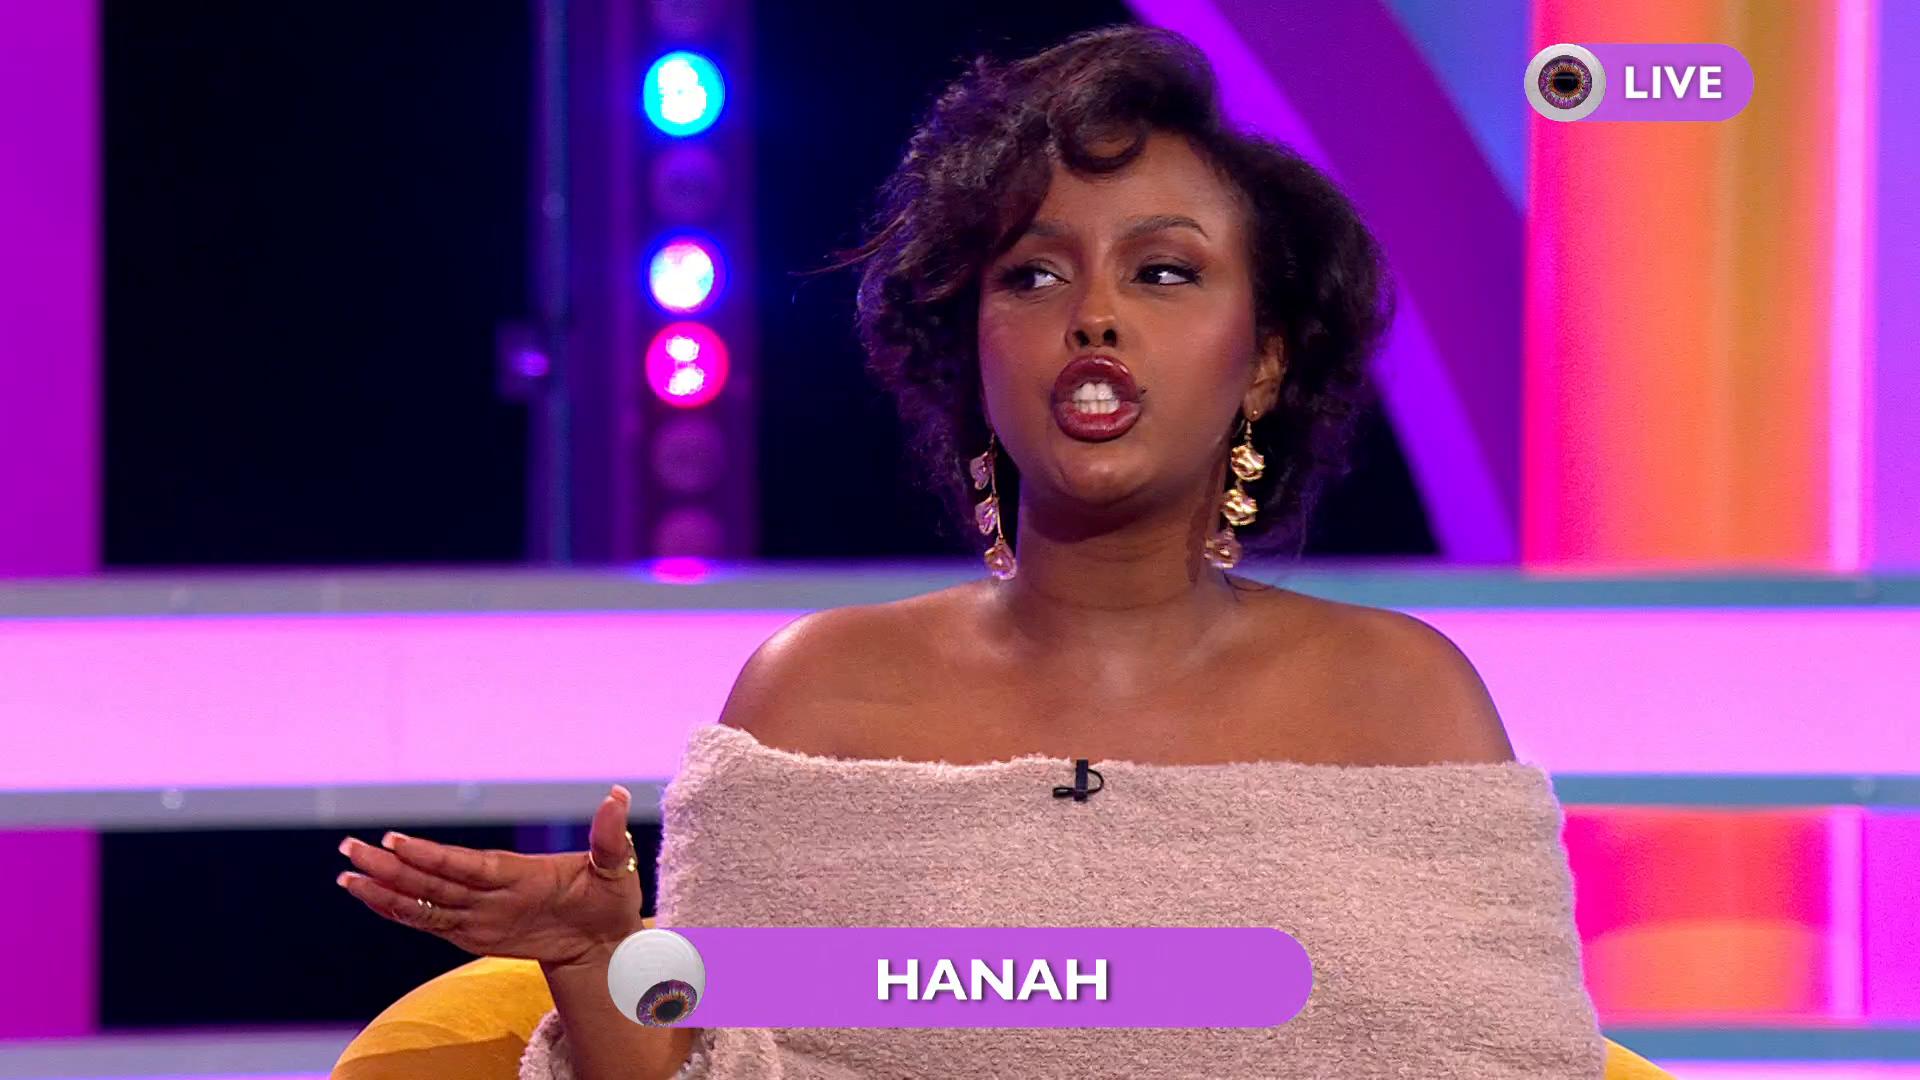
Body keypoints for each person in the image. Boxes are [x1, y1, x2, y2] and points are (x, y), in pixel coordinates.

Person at [337, 25, 1604, 1078]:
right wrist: (598, 959)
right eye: (1034, 277)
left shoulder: (1404, 700)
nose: (1094, 316)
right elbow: (716, 1069)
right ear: (972, 347)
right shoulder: (816, 694)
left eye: (1164, 273)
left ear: (1264, 358)